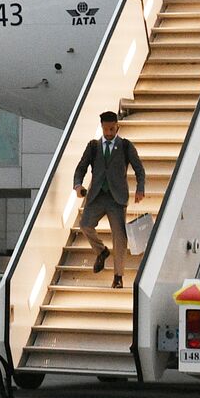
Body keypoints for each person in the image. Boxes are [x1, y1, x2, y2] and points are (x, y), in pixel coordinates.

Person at [73, 111, 146, 289]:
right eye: (106, 129)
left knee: (119, 238)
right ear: (102, 127)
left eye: (112, 129)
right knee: (85, 225)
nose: (109, 133)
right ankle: (101, 251)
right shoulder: (93, 146)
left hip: (117, 198)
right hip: (96, 195)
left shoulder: (125, 146)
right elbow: (81, 167)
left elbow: (139, 169)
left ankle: (118, 276)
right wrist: (78, 185)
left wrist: (140, 188)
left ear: (117, 127)